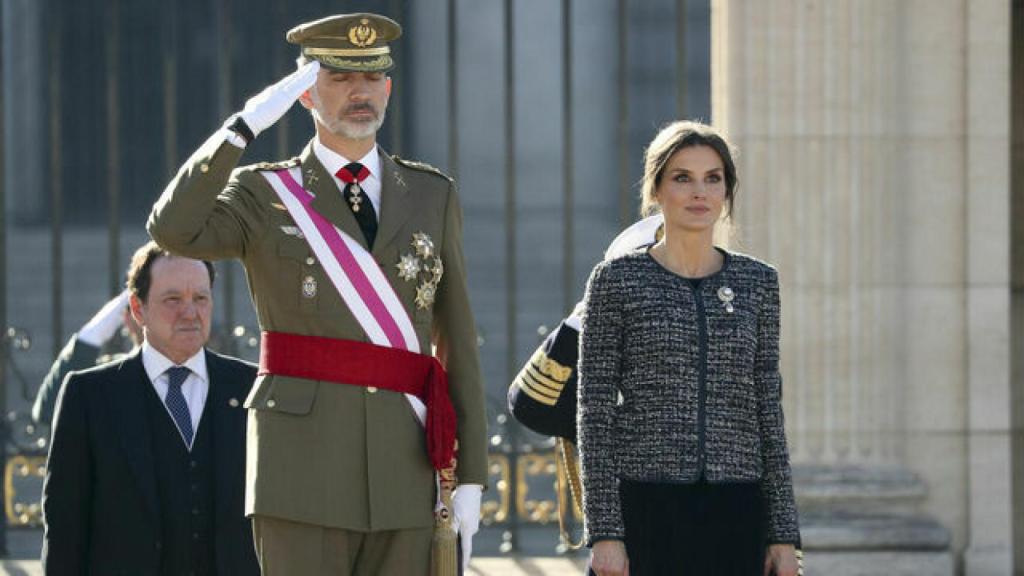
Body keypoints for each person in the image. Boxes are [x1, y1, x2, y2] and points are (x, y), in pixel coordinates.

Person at [147, 13, 487, 575]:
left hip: (404, 463)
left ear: (389, 88)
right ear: (305, 94)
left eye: (372, 78)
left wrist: (469, 473)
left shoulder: (431, 194)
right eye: (339, 78)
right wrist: (240, 130)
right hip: (300, 470)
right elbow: (173, 230)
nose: (360, 92)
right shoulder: (263, 193)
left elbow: (457, 341)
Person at [578, 121, 801, 575]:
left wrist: (782, 534)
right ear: (657, 189)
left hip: (736, 510)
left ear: (726, 192)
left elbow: (767, 412)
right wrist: (605, 532)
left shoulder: (758, 283)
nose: (699, 192)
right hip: (647, 507)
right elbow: (594, 414)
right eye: (682, 178)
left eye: (712, 178)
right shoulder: (617, 281)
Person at [41, 241, 260, 575]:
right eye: (173, 299)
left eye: (200, 298)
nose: (190, 312)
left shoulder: (249, 387)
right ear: (138, 308)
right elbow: (64, 529)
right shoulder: (89, 396)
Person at [31, 289, 142, 428]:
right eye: (140, 305)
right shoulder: (112, 370)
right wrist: (92, 336)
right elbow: (49, 410)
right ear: (126, 317)